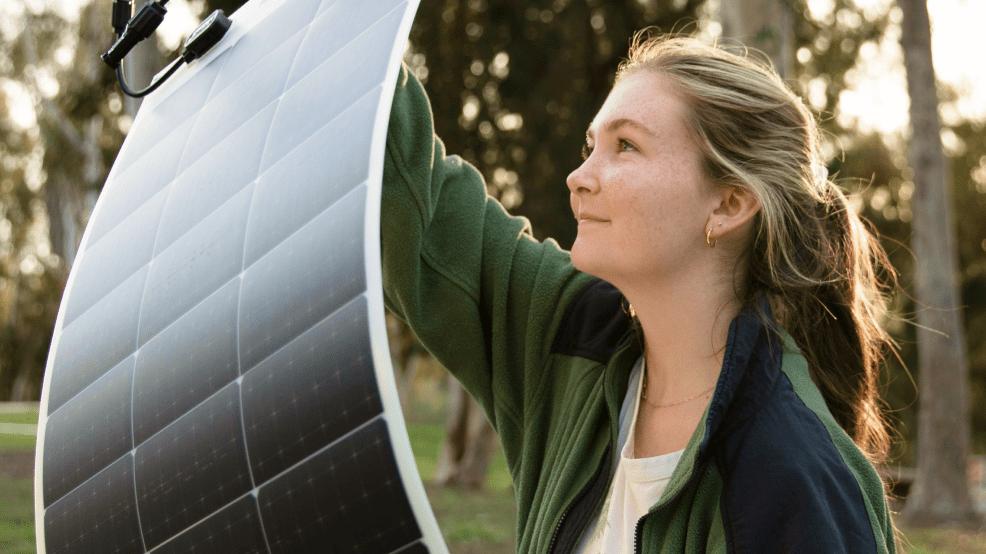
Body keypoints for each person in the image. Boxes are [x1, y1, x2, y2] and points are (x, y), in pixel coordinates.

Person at [381, 30, 901, 553]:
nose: (578, 177)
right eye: (591, 147)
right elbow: (406, 184)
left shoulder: (795, 478)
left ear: (729, 204)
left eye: (625, 146)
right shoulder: (568, 334)